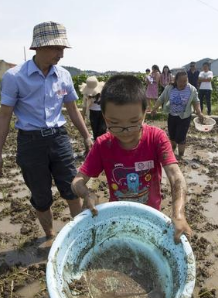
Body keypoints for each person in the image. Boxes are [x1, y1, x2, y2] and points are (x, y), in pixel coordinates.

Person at [0, 21, 93, 239]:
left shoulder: (64, 75)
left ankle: (79, 237)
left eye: (62, 49)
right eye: (57, 48)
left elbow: (73, 110)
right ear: (39, 47)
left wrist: (86, 136)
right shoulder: (15, 77)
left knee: (72, 188)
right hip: (30, 142)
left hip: (59, 139)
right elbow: (4, 116)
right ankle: (50, 237)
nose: (61, 54)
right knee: (41, 196)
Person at [71, 75, 192, 243]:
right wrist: (87, 194)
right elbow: (77, 181)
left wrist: (178, 213)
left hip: (151, 213)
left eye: (134, 122)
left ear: (144, 113)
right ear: (104, 117)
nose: (125, 130)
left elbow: (175, 175)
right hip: (119, 213)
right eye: (114, 122)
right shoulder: (102, 145)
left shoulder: (156, 138)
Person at [152, 71, 204, 158]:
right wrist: (154, 108)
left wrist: (199, 112)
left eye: (185, 81)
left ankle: (180, 156)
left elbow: (196, 101)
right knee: (172, 136)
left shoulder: (191, 89)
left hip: (184, 117)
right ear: (176, 80)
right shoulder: (170, 88)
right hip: (172, 115)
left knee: (181, 137)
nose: (183, 83)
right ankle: (172, 152)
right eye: (181, 81)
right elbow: (161, 98)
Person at [81, 76, 106, 141]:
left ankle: (102, 144)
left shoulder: (103, 92)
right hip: (92, 113)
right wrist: (82, 116)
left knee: (102, 129)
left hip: (102, 112)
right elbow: (84, 105)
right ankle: (97, 143)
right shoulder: (86, 94)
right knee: (95, 129)